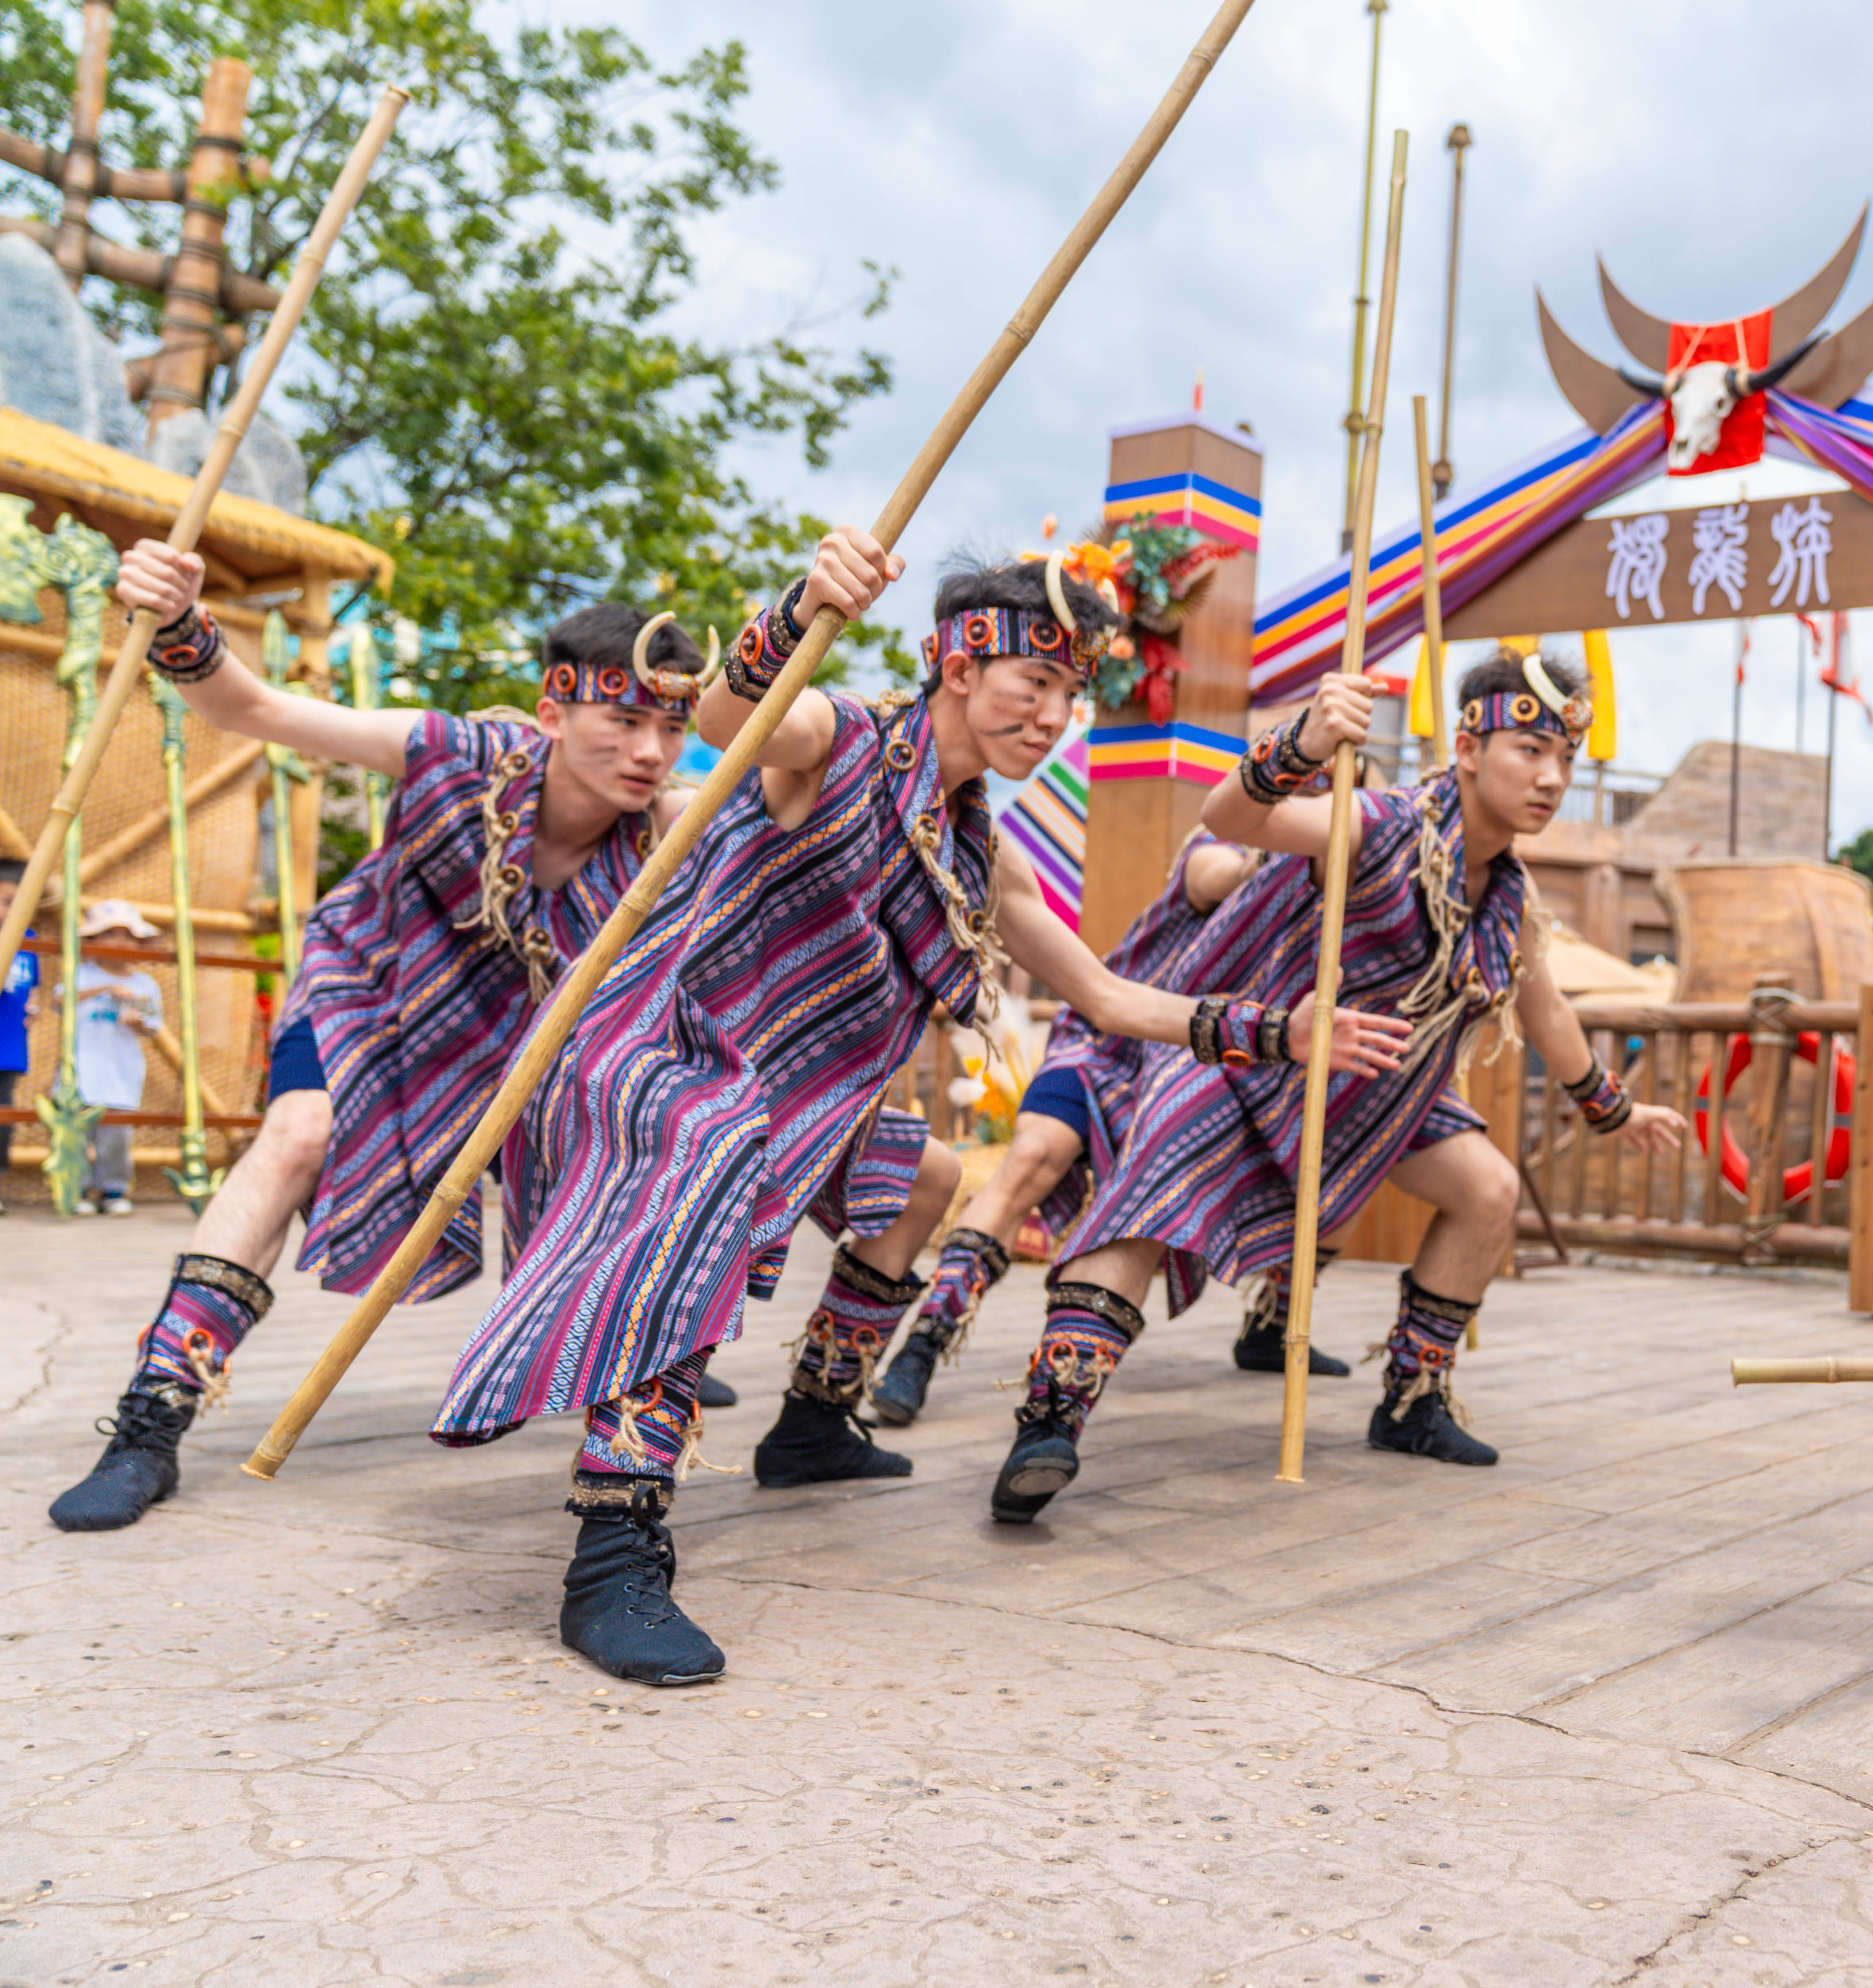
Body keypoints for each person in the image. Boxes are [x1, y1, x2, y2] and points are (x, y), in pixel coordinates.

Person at [434, 537, 1406, 1686]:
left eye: (1070, 695)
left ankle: (814, 1423)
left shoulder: (980, 848)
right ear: (957, 665)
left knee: (928, 1178)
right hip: (668, 1058)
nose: (1053, 717)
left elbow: (1102, 995)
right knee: (707, 1175)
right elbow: (735, 714)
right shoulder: (840, 738)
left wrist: (1279, 1030)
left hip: (802, 1099)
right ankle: (613, 1550)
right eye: (1033, 682)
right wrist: (805, 604)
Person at [49, 556, 708, 1533]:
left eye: (671, 727)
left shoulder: (671, 829)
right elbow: (255, 709)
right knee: (299, 1133)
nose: (651, 750)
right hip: (367, 983)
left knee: (643, 1141)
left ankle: (638, 1352)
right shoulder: (453, 750)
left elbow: (795, 807)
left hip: (509, 1043)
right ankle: (154, 1413)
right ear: (552, 712)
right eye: (624, 719)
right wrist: (182, 619)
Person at [995, 648, 1683, 1525]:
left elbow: (1546, 1013)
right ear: (1467, 749)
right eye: (1529, 750)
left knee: (1488, 1188)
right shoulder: (1376, 820)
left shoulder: (1509, 897)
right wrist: (1308, 740)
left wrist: (1616, 1110)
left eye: (1564, 758)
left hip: (1377, 1094)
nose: (1551, 777)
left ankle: (1412, 1401)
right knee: (1148, 1207)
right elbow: (1230, 816)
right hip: (1249, 1058)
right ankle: (1050, 1420)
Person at [866, 832, 1344, 1430]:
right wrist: (1280, 853)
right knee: (1033, 1158)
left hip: (1192, 1080)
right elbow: (1213, 874)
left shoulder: (1317, 923)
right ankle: (927, 1338)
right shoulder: (1220, 852)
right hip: (1105, 1047)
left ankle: (1271, 1326)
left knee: (1343, 1153)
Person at [66, 898, 164, 1214]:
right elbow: (59, 1001)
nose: (120, 942)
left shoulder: (145, 984)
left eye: (128, 936)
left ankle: (114, 1189)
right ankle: (78, 1190)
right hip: (81, 1070)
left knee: (117, 1137)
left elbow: (153, 1026)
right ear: (93, 940)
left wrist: (137, 1023)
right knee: (76, 1135)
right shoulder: (79, 975)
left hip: (122, 1072)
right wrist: (106, 989)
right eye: (110, 934)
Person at [0, 857, 34, 1210]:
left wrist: (33, 1008)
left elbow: (33, 986)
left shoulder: (30, 941)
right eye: (3, 901)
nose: (7, 911)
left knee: (3, 1122)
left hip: (10, 1048)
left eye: (14, 902)